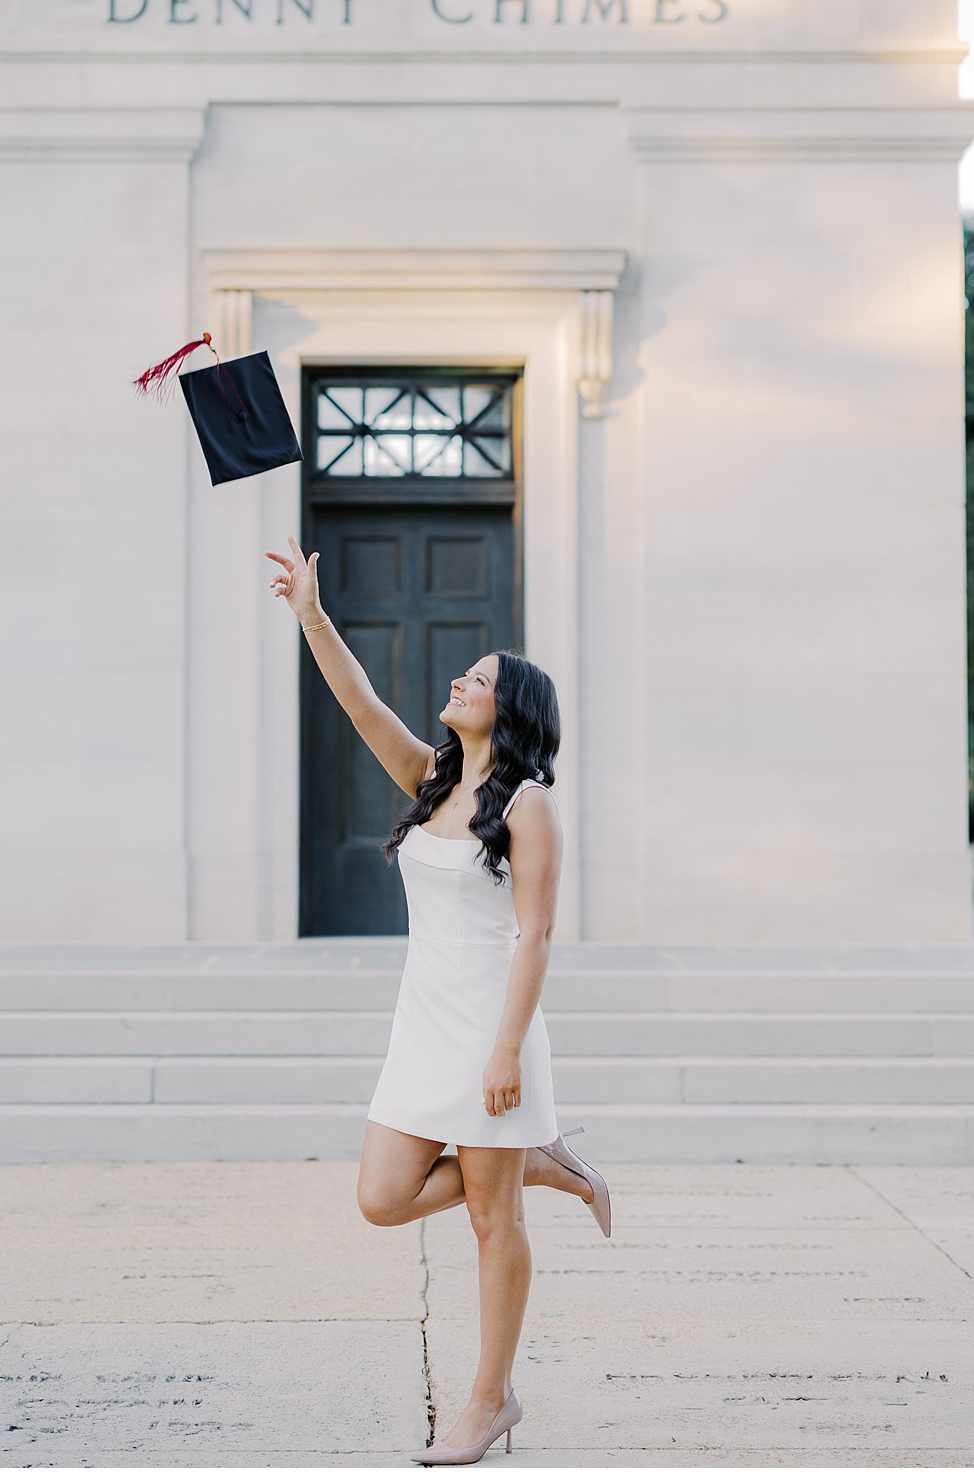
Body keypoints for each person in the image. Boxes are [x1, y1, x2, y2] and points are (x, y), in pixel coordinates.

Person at [265, 536, 613, 1467]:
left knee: (491, 1221)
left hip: (492, 1031)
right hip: (423, 1027)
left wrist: (506, 1052)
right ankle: (541, 1159)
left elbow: (535, 936)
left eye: (478, 678)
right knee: (381, 1198)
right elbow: (360, 704)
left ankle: (490, 1400)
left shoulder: (530, 805)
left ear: (513, 707)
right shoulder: (433, 781)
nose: (458, 682)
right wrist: (311, 611)